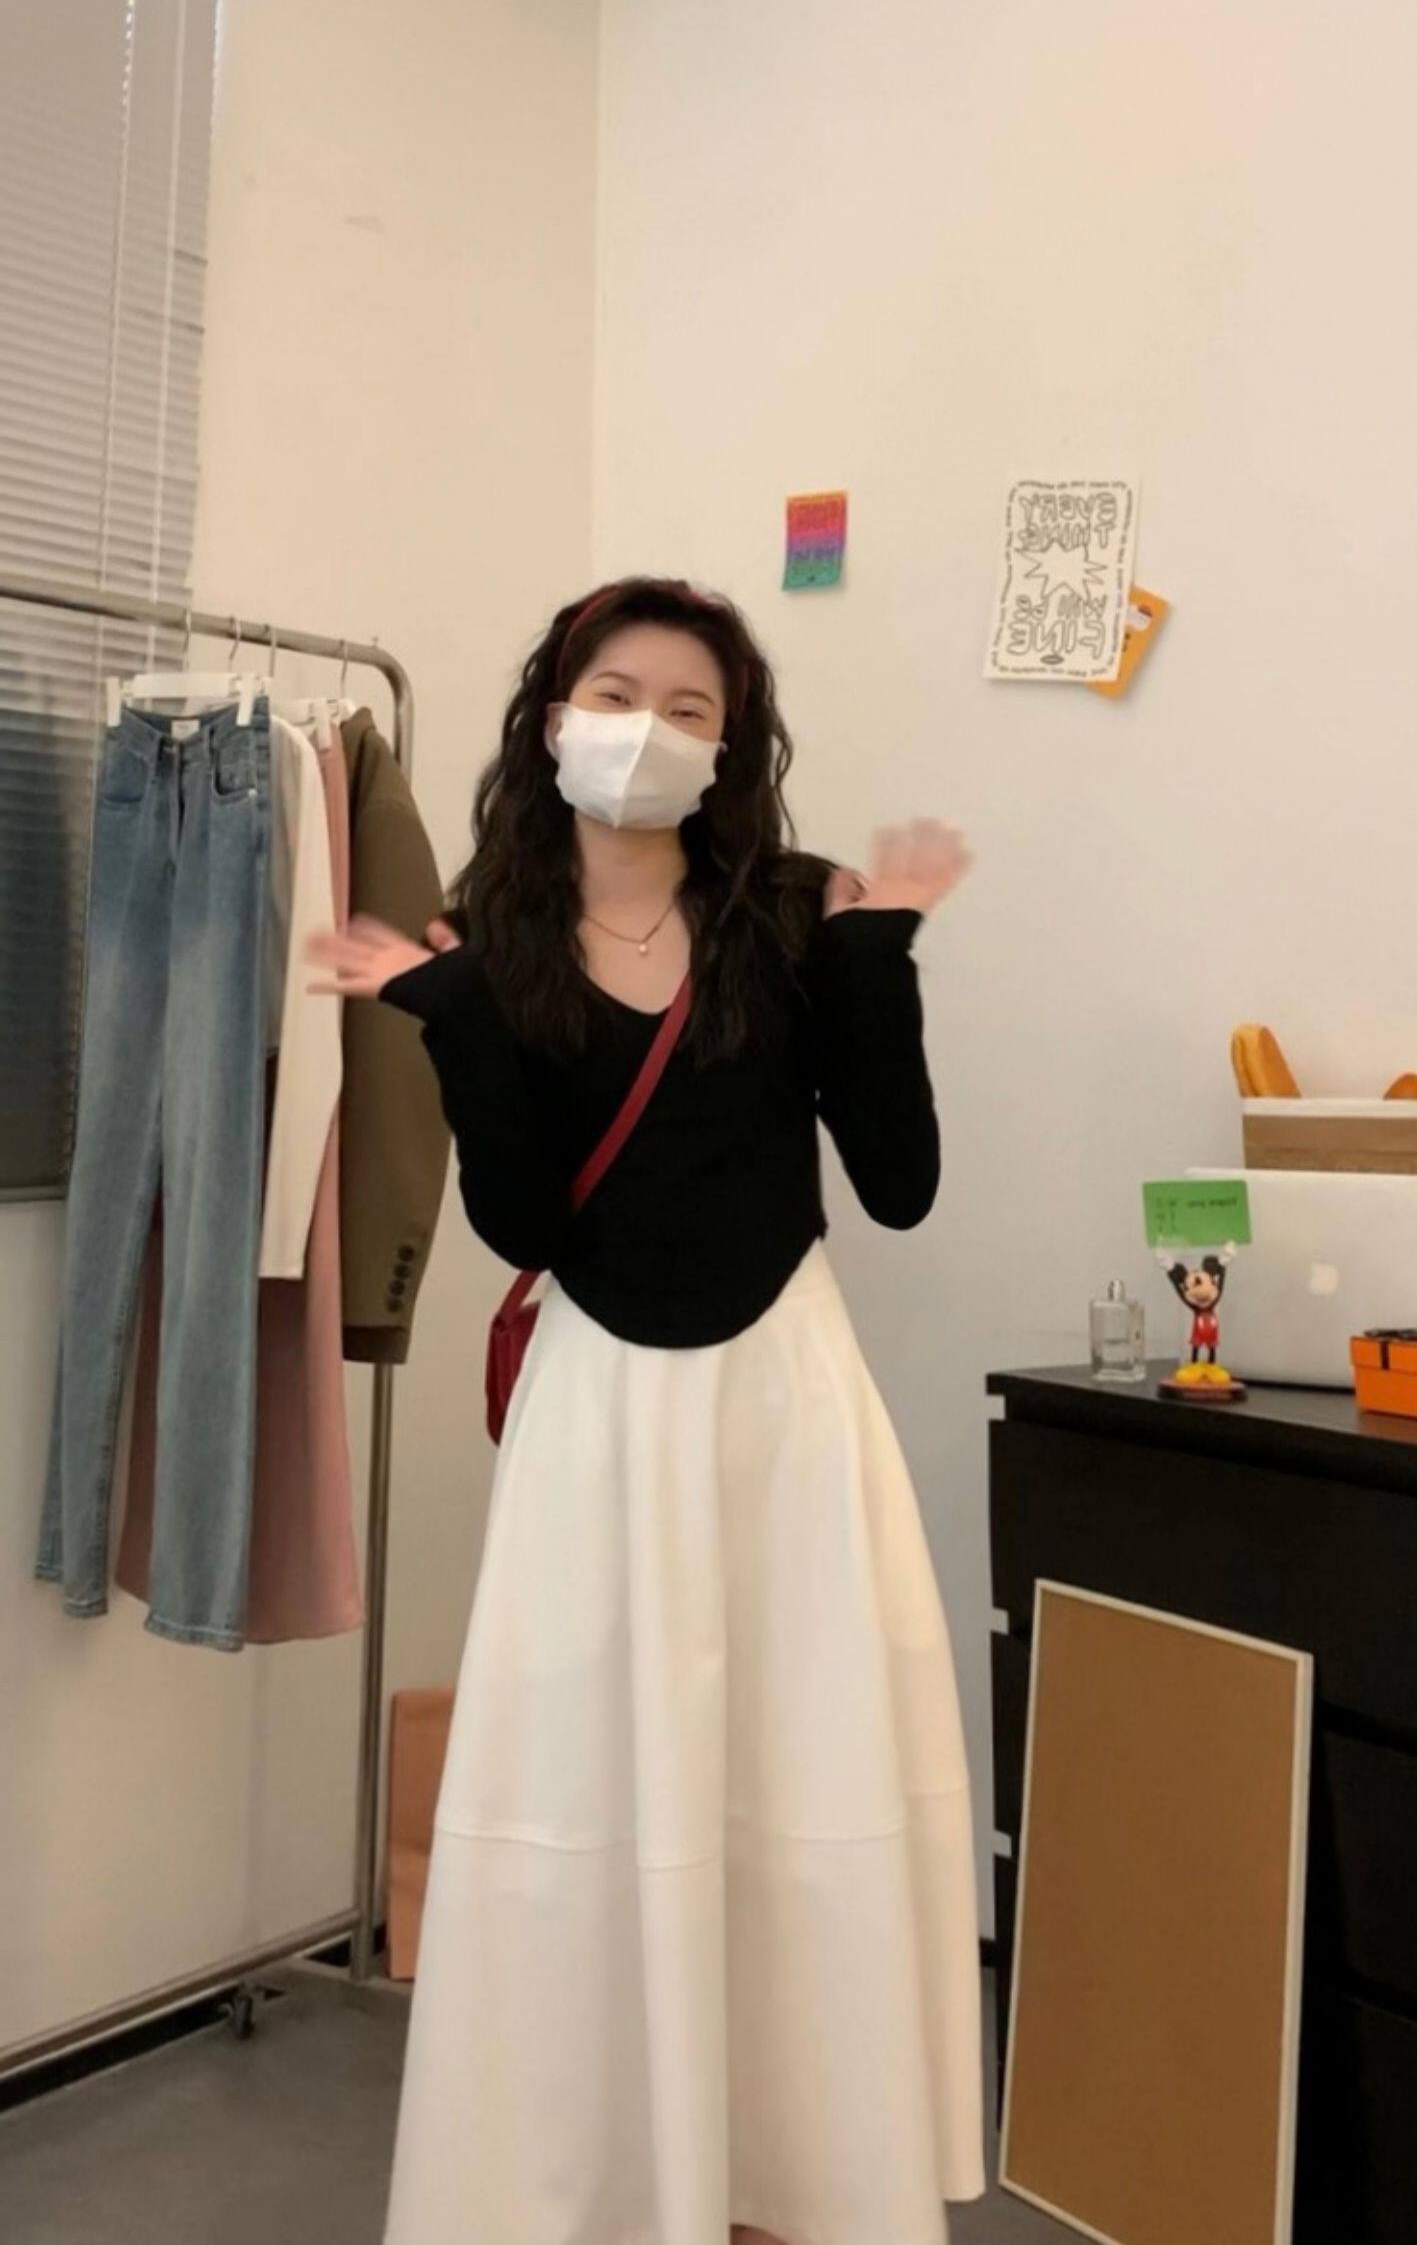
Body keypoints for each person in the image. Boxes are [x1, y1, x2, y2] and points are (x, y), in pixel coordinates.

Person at [310, 576, 987, 2245]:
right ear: (555, 719)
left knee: (797, 1769)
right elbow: (529, 1222)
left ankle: (785, 2177)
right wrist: (451, 1016)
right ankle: (603, 2178)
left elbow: (898, 1185)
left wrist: (880, 951)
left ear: (732, 746)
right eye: (619, 697)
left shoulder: (793, 915)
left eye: (693, 710)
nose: (650, 732)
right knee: (588, 1776)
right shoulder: (491, 940)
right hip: (601, 1409)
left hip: (786, 1405)